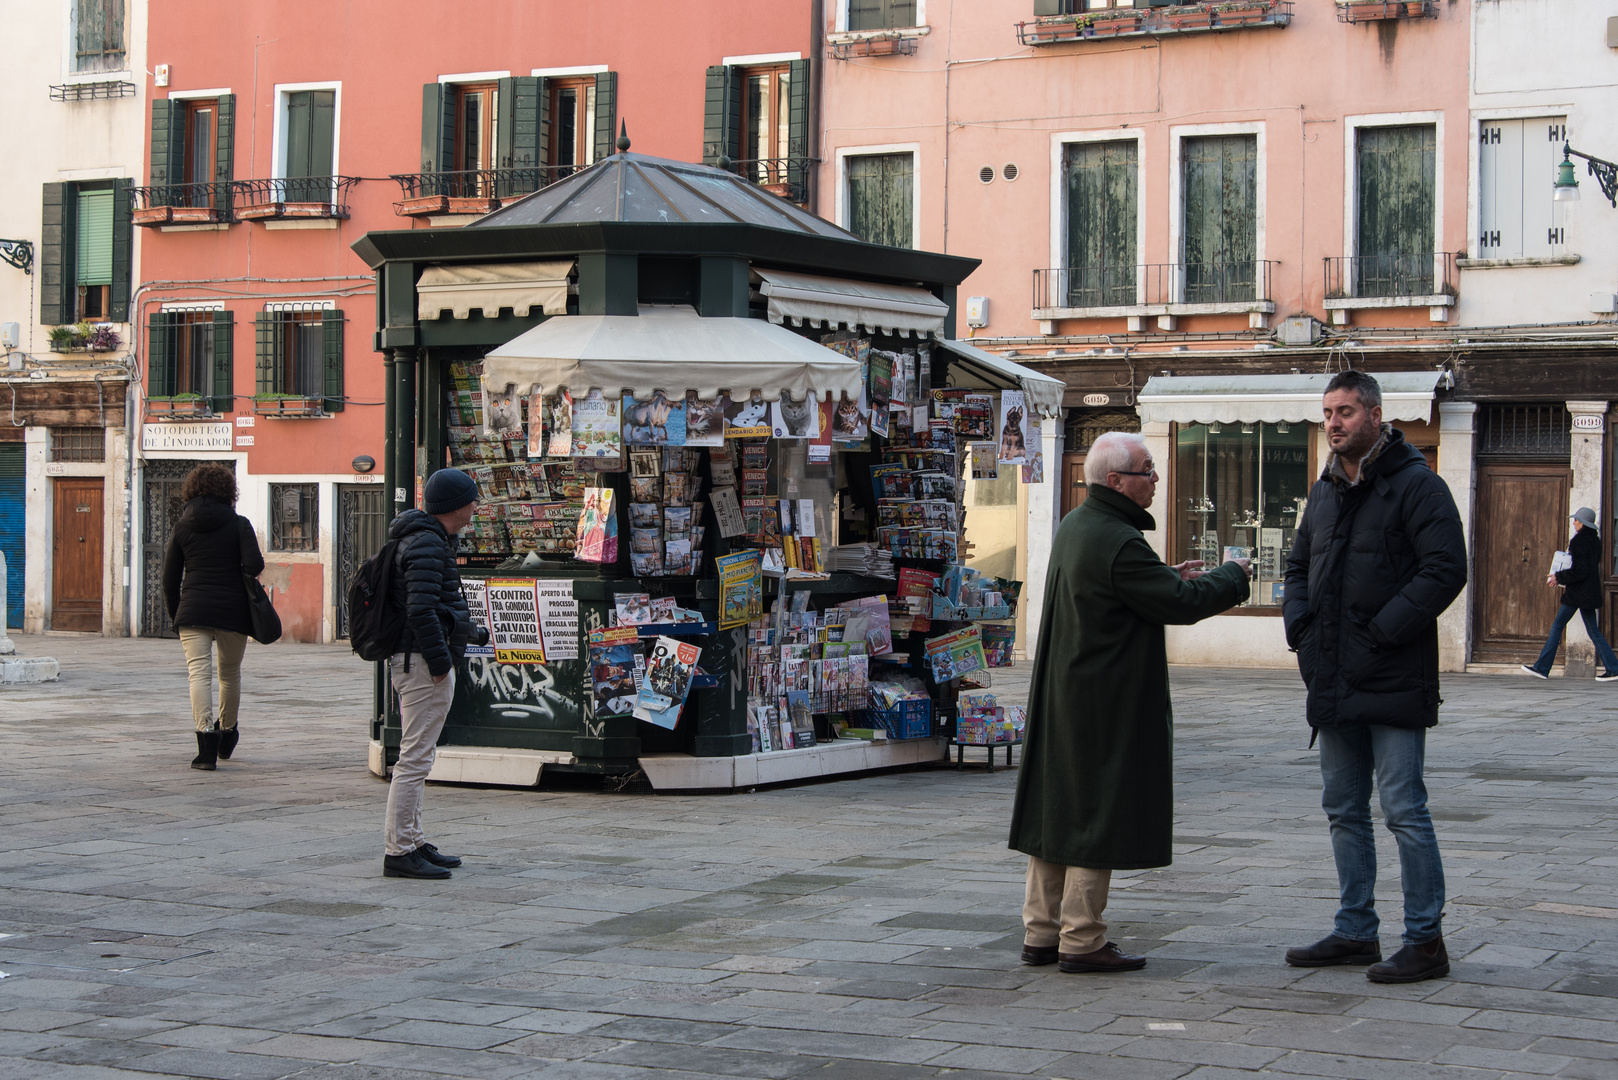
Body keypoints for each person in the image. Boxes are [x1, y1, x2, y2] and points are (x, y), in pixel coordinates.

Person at [1008, 432, 1251, 973]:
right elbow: (1180, 604)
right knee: (1096, 810)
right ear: (1115, 481)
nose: (1155, 479)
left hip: (1069, 689)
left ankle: (1041, 931)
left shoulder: (1079, 524)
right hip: (1105, 696)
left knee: (1059, 809)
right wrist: (1232, 577)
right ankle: (1083, 938)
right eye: (1147, 470)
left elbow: (1121, 591)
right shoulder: (1118, 538)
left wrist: (1163, 575)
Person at [1282, 370, 1467, 984]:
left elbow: (1445, 569)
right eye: (1328, 413)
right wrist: (1300, 631)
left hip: (1392, 678)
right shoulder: (1326, 490)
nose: (1333, 423)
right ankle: (1356, 930)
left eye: (1345, 412)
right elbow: (1298, 564)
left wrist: (1383, 632)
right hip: (1332, 676)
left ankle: (1425, 941)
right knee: (1342, 808)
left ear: (1376, 415)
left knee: (1403, 809)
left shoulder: (1418, 486)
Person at [383, 468, 479, 880]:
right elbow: (420, 610)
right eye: (472, 499)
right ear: (455, 506)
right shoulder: (426, 543)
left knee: (420, 756)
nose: (477, 506)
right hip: (421, 663)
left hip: (420, 659)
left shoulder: (431, 539)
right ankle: (399, 850)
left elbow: (438, 605)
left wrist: (469, 632)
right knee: (414, 759)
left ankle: (414, 839)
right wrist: (441, 665)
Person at [161, 463, 265, 772]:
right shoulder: (239, 524)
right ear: (228, 491)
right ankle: (227, 733)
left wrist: (176, 615)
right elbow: (254, 565)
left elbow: (168, 580)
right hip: (233, 610)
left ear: (191, 490)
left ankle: (204, 743)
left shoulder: (182, 527)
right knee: (229, 674)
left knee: (198, 674)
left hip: (193, 610)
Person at [1521, 507, 1618, 681]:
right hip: (1587, 592)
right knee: (1593, 631)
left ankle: (1542, 668)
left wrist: (1558, 576)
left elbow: (1580, 571)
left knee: (1557, 626)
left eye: (1576, 520)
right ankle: (1613, 668)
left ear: (1583, 523)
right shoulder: (1595, 541)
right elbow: (1587, 569)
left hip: (1578, 594)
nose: (1573, 523)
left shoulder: (1579, 542)